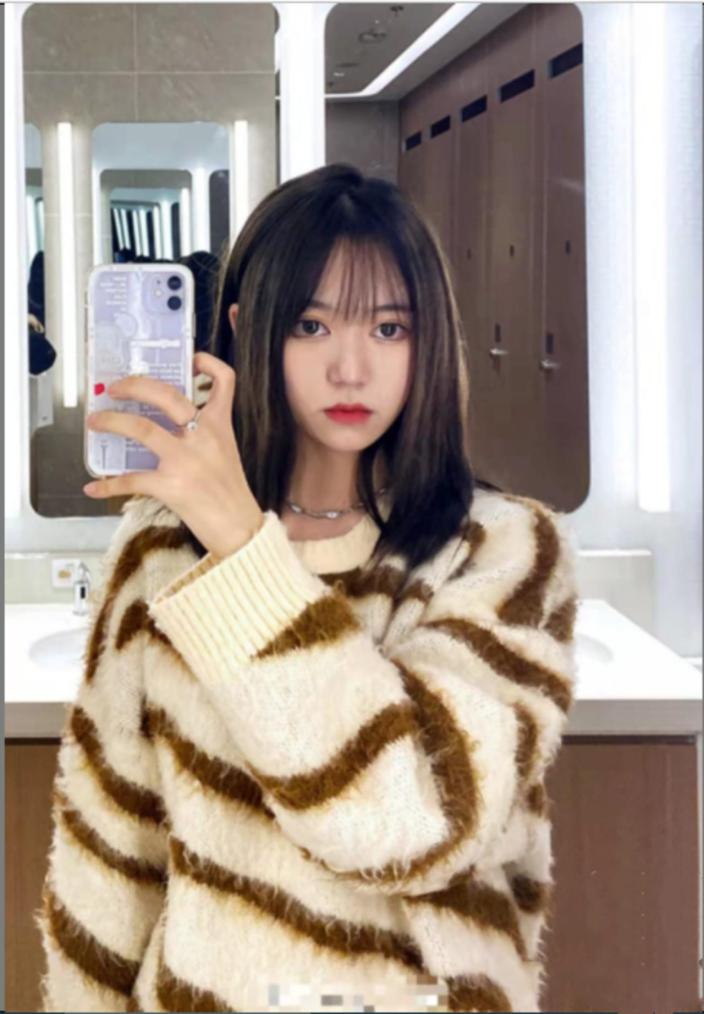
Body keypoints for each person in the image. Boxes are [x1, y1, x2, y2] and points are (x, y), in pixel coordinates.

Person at [34, 163, 579, 1013]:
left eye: (390, 328)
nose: (351, 368)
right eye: (312, 325)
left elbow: (420, 824)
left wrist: (242, 550)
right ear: (250, 330)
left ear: (431, 341)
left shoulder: (502, 551)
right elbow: (109, 858)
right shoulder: (162, 550)